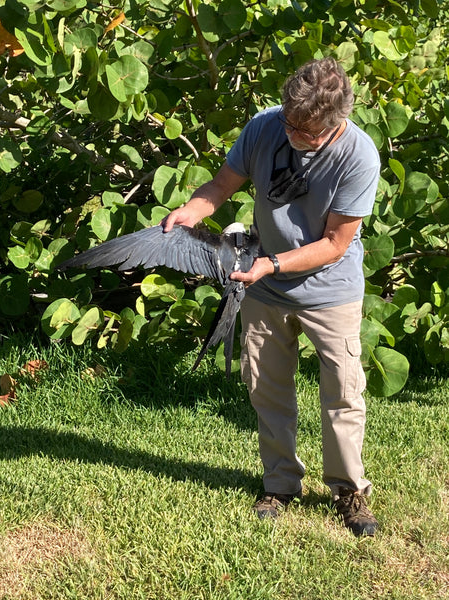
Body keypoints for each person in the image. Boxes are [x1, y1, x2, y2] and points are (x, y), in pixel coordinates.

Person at [162, 57, 381, 537]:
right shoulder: (265, 127)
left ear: (334, 124)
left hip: (330, 290)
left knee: (343, 393)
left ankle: (348, 490)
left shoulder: (359, 155)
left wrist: (272, 264)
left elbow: (335, 244)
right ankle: (280, 483)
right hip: (264, 286)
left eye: (305, 131)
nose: (293, 134)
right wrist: (191, 211)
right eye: (289, 122)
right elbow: (222, 185)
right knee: (266, 387)